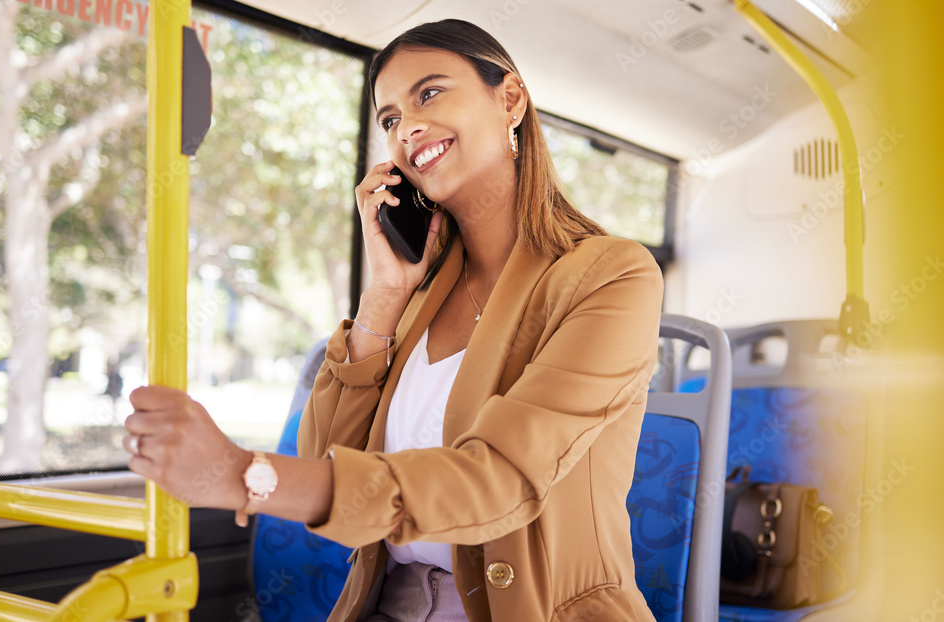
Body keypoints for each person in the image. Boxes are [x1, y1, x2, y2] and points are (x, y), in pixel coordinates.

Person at [124, 19, 662, 621]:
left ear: (510, 99)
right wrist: (384, 294)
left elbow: (502, 478)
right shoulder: (420, 290)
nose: (407, 127)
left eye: (429, 94)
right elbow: (329, 459)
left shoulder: (612, 275)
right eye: (389, 119)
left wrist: (242, 476)